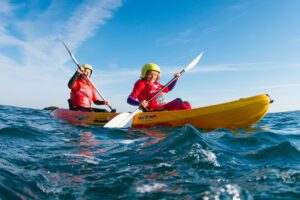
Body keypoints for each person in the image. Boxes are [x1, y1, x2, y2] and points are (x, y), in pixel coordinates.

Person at [127, 63, 191, 111]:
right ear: (145, 74)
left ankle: (190, 116)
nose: (153, 77)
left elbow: (168, 89)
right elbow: (129, 99)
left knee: (184, 103)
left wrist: (175, 79)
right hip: (152, 111)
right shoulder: (140, 83)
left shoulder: (157, 83)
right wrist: (139, 103)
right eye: (150, 74)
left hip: (162, 107)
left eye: (155, 75)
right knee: (179, 104)